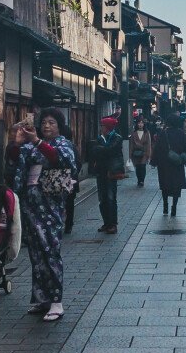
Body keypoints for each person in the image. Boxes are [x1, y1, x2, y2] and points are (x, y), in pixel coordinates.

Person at [12, 108, 77, 322]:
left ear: (59, 126)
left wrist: (38, 142)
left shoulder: (62, 144)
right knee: (36, 253)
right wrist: (18, 142)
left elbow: (61, 160)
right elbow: (14, 164)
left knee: (50, 250)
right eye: (45, 123)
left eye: (52, 123)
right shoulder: (29, 146)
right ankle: (42, 299)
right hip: (31, 203)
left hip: (50, 205)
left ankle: (57, 301)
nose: (47, 126)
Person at [91, 116, 124, 235]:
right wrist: (102, 150)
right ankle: (106, 223)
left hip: (111, 171)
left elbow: (110, 150)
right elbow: (95, 151)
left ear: (108, 127)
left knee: (111, 198)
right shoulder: (100, 138)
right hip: (101, 171)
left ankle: (113, 224)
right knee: (102, 199)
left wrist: (101, 149)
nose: (101, 128)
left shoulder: (117, 138)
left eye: (103, 126)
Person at [154, 114, 186, 217]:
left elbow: (157, 148)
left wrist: (154, 161)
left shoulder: (163, 133)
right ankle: (174, 206)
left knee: (165, 185)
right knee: (176, 186)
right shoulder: (181, 133)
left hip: (164, 164)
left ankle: (165, 206)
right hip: (177, 163)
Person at [129, 116, 152, 187]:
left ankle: (142, 180)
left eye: (142, 123)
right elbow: (131, 144)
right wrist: (130, 155)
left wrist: (149, 155)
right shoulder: (134, 133)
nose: (140, 124)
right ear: (137, 124)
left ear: (144, 124)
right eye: (139, 123)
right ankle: (139, 180)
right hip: (136, 153)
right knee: (138, 167)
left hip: (144, 152)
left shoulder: (147, 133)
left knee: (142, 166)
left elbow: (148, 144)